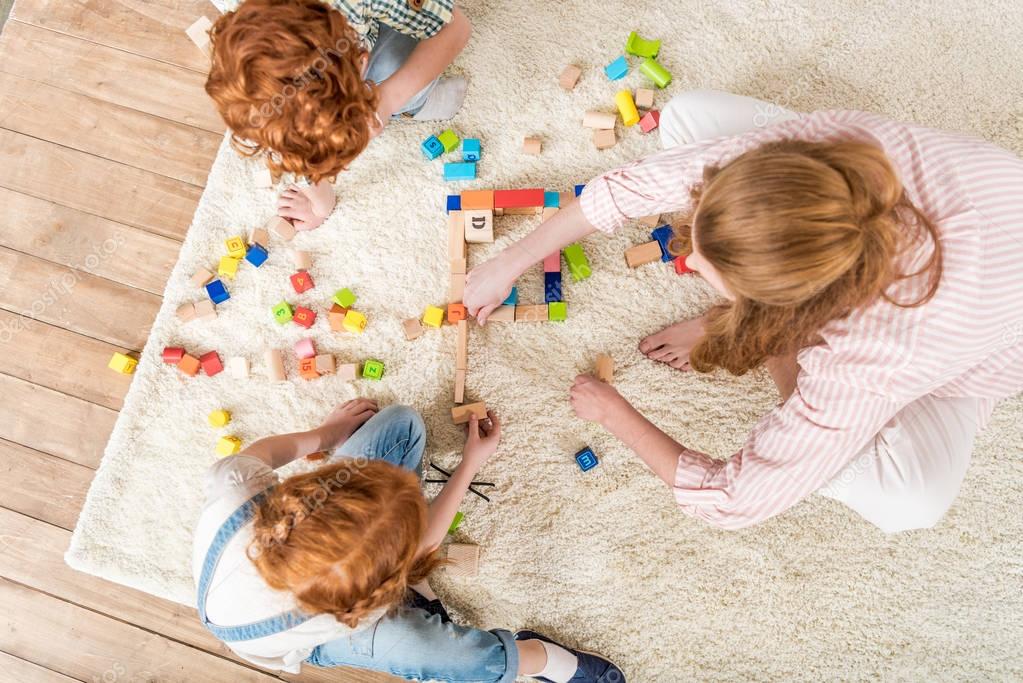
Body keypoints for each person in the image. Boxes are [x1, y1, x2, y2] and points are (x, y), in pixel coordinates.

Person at [464, 89, 1023, 533]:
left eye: (711, 274)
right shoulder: (836, 138)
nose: (689, 260)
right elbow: (633, 187)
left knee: (911, 503)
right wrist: (510, 261)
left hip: (979, 351)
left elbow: (733, 500)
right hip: (964, 222)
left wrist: (614, 412)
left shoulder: (868, 362)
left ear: (793, 309)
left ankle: (778, 340)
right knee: (685, 118)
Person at [192, 399, 625, 682]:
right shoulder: (355, 610)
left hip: (306, 581)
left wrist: (326, 435)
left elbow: (265, 454)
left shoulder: (237, 487)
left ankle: (403, 562)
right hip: (313, 636)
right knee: (450, 656)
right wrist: (470, 463)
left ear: (321, 486)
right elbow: (423, 549)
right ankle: (544, 659)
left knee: (402, 426)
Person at [205, 0, 471, 230]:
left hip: (376, 21)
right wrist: (320, 205)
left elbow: (456, 28)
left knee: (402, 77)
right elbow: (297, 147)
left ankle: (418, 102)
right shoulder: (243, 37)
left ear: (361, 61)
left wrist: (388, 99)